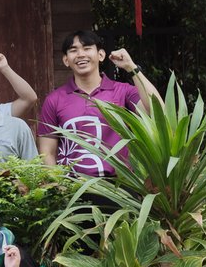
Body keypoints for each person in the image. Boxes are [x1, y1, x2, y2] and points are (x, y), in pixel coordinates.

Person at [38, 31, 158, 177]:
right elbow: (47, 152)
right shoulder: (54, 99)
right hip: (72, 186)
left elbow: (157, 112)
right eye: (73, 50)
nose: (80, 54)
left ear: (101, 55)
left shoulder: (123, 91)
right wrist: (57, 184)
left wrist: (131, 67)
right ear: (66, 60)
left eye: (87, 48)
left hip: (120, 185)